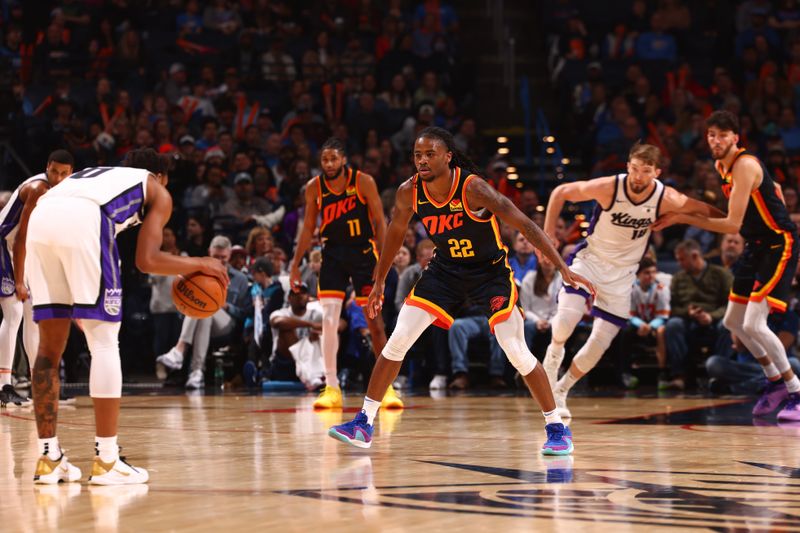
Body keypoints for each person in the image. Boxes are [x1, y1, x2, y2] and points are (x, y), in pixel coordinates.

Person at [329, 126, 595, 454]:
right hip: (445, 270)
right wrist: (380, 281)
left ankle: (557, 427)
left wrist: (563, 267)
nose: (422, 160)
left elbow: (525, 224)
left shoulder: (473, 188)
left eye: (430, 154)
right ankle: (363, 423)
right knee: (399, 338)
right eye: (417, 155)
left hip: (489, 272)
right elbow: (395, 234)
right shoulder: (408, 192)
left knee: (514, 347)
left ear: (448, 156)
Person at [26, 148, 228, 485]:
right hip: (84, 221)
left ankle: (49, 458)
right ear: (160, 176)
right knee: (104, 342)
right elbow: (147, 260)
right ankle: (107, 460)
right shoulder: (157, 189)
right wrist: (199, 262)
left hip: (41, 221)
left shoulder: (96, 175)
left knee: (47, 350)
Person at [542, 142, 727, 417]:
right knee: (566, 323)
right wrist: (547, 235)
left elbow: (713, 212)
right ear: (628, 166)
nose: (639, 176)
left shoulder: (667, 197)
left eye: (646, 171)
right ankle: (553, 355)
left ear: (657, 172)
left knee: (598, 347)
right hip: (590, 262)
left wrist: (678, 217)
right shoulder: (609, 187)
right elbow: (560, 192)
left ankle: (561, 390)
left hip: (623, 276)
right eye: (635, 169)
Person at [653, 110, 800, 420]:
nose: (715, 140)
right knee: (733, 322)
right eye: (710, 135)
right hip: (756, 244)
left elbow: (732, 223)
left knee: (753, 324)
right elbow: (758, 200)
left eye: (721, 135)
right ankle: (774, 381)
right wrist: (682, 212)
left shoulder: (745, 165)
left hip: (777, 245)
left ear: (736, 137)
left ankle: (794, 390)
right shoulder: (722, 167)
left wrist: (683, 217)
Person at [289, 137, 402, 409]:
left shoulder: (363, 182)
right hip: (332, 254)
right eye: (324, 159)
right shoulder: (314, 187)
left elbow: (378, 220)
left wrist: (383, 259)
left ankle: (386, 389)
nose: (328, 164)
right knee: (329, 320)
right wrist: (295, 263)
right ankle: (331, 387)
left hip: (364, 253)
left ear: (343, 160)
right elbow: (307, 228)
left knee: (374, 322)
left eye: (333, 159)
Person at [0, 150, 73, 407]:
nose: (58, 177)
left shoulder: (62, 194)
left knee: (33, 317)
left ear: (71, 174)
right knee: (14, 313)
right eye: (55, 171)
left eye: (64, 173)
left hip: (24, 251)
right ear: (47, 167)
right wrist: (19, 281)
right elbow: (20, 237)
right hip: (5, 245)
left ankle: (37, 386)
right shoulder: (39, 188)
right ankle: (4, 386)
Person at [155, 235, 250, 389]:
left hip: (227, 326)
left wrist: (226, 306)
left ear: (230, 255)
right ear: (208, 252)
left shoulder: (240, 279)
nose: (219, 261)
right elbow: (184, 307)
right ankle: (196, 373)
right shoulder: (198, 273)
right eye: (215, 257)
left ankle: (179, 350)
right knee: (204, 311)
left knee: (206, 308)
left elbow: (244, 313)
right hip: (204, 321)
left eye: (223, 257)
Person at [619, 257, 670, 389]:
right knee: (625, 330)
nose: (651, 276)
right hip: (638, 325)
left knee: (661, 331)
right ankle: (626, 372)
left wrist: (650, 326)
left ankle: (662, 373)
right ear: (638, 274)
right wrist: (641, 324)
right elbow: (629, 314)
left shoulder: (661, 289)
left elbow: (663, 315)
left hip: (656, 324)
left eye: (653, 272)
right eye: (647, 272)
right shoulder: (631, 288)